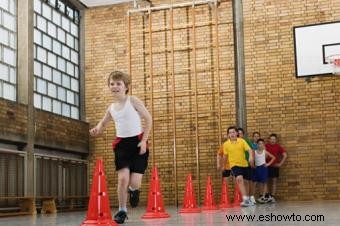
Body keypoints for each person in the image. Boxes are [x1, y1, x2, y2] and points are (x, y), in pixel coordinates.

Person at [89, 71, 152, 224]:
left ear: (125, 87)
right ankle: (122, 210)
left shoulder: (133, 101)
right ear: (109, 87)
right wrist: (97, 129)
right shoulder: (111, 108)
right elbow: (104, 123)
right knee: (123, 179)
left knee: (134, 182)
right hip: (121, 145)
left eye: (118, 84)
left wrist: (144, 141)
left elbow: (148, 119)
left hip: (137, 143)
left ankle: (133, 191)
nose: (115, 86)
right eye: (112, 84)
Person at [223, 126, 254, 207]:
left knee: (246, 182)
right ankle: (245, 199)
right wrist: (223, 166)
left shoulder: (242, 141)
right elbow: (225, 156)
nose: (232, 134)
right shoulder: (226, 144)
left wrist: (251, 157)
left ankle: (248, 198)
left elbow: (249, 150)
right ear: (228, 135)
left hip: (244, 164)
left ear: (236, 133)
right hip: (234, 165)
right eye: (230, 133)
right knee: (239, 179)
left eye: (233, 132)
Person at [251, 139, 276, 203]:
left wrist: (268, 164)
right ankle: (252, 197)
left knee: (264, 182)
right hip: (256, 168)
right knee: (255, 183)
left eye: (262, 143)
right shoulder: (254, 151)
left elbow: (273, 157)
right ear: (257, 144)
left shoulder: (265, 151)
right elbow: (251, 159)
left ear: (263, 144)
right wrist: (253, 165)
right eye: (259, 143)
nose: (260, 145)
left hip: (263, 168)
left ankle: (263, 197)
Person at [265, 133, 287, 203]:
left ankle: (272, 196)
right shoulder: (266, 146)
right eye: (271, 139)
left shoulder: (278, 146)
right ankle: (267, 196)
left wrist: (280, 164)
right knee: (266, 181)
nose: (272, 140)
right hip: (267, 166)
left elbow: (285, 155)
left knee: (274, 181)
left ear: (276, 140)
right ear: (269, 140)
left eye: (274, 139)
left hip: (275, 166)